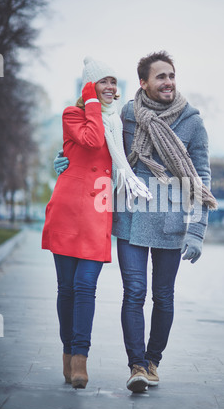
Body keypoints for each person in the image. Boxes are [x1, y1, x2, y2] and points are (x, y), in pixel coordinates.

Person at [55, 51, 217, 393]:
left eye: (171, 76)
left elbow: (202, 176)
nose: (168, 82)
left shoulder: (192, 122)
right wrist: (65, 157)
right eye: (161, 77)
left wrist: (197, 231)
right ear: (143, 83)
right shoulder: (127, 113)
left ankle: (153, 360)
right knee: (134, 293)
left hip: (171, 221)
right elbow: (101, 141)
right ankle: (137, 365)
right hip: (130, 217)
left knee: (164, 296)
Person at [43, 56, 150, 389]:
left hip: (97, 215)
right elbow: (90, 139)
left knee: (84, 287)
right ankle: (67, 351)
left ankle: (80, 360)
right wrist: (89, 98)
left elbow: (118, 156)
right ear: (89, 85)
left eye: (113, 82)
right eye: (102, 81)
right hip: (67, 211)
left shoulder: (117, 124)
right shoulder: (73, 113)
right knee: (66, 290)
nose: (110, 87)